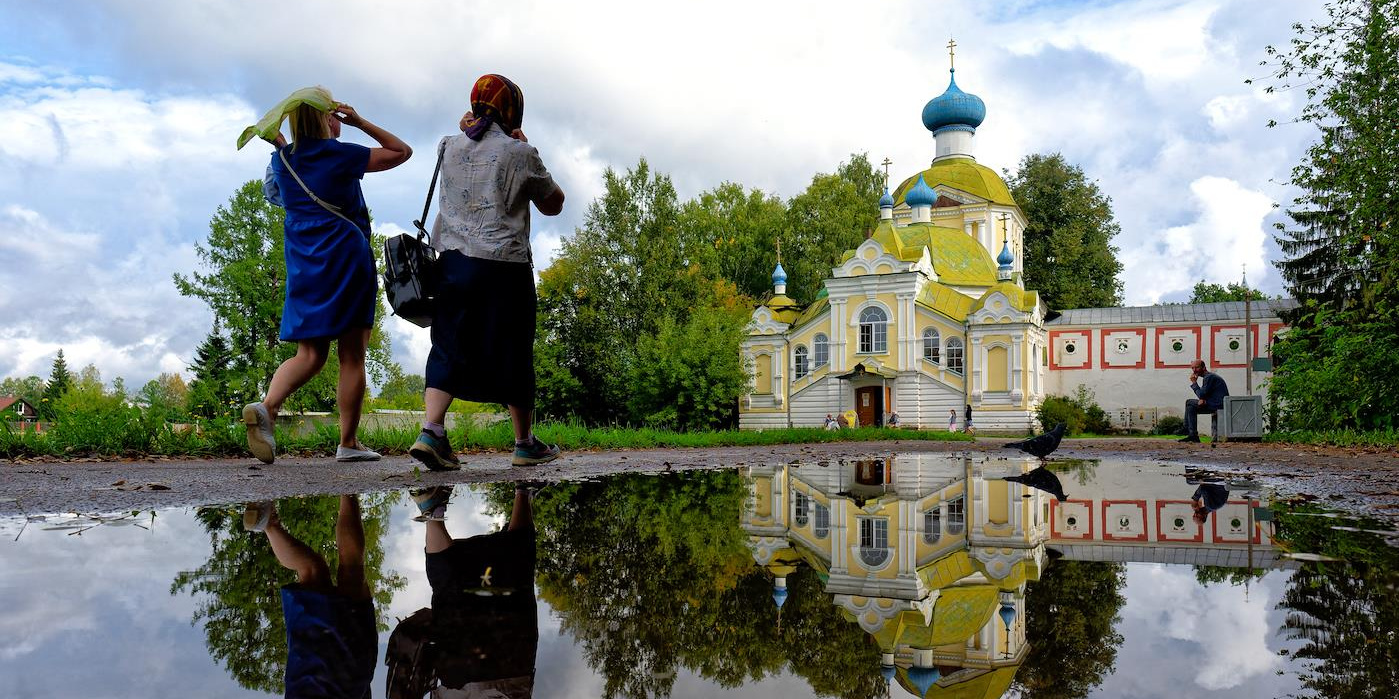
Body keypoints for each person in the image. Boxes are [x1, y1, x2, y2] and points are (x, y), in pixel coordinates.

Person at [238, 87, 412, 464]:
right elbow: (401, 152)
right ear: (324, 119)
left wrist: (282, 143)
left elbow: (282, 192)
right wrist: (361, 122)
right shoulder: (340, 155)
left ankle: (267, 407)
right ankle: (348, 443)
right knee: (352, 356)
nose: (338, 118)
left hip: (304, 263)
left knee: (310, 354)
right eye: (332, 112)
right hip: (346, 259)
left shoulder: (283, 161)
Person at [409, 75, 566, 472]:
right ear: (512, 109)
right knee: (513, 348)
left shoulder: (447, 145)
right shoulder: (520, 152)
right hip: (505, 267)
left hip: (455, 263)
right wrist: (526, 146)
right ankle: (524, 443)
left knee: (448, 344)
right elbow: (555, 204)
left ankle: (432, 432)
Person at [386, 484, 539, 698]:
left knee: (516, 582)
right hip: (458, 682)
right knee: (449, 596)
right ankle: (432, 514)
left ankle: (524, 490)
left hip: (509, 677)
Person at [243, 496, 377, 698]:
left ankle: (348, 487)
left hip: (347, 680)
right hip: (304, 678)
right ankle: (269, 525)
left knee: (352, 570)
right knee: (311, 570)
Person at [1181, 359, 1229, 443]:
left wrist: (1194, 383)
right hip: (1214, 403)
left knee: (1189, 402)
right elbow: (1205, 394)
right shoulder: (1209, 377)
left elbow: (1201, 394)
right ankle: (1192, 435)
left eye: (1197, 367)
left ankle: (1186, 429)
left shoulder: (1209, 377)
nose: (1194, 370)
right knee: (1191, 408)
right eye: (1192, 368)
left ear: (1204, 367)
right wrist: (1203, 399)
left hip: (1218, 405)